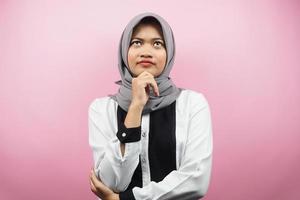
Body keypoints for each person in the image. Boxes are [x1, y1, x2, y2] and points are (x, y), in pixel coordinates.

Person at [89, 12, 213, 200]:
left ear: (169, 52)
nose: (146, 51)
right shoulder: (101, 109)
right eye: (137, 42)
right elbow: (110, 183)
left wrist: (125, 199)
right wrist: (135, 106)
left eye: (157, 44)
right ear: (124, 50)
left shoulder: (192, 104)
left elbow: (196, 181)